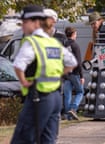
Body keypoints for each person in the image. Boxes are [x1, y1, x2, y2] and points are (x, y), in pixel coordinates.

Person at [10, 5, 77, 144]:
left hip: (38, 96)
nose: (22, 26)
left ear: (36, 22)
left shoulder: (33, 42)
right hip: (56, 98)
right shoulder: (52, 42)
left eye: (25, 22)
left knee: (23, 138)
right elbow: (71, 63)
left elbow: (18, 65)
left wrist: (24, 82)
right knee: (48, 140)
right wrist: (58, 75)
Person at [63, 27, 85, 120]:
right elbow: (79, 62)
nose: (76, 35)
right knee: (80, 92)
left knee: (67, 94)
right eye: (75, 34)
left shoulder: (63, 45)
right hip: (75, 72)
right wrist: (82, 76)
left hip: (66, 73)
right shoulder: (75, 45)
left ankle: (68, 116)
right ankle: (73, 108)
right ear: (73, 34)